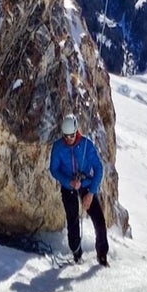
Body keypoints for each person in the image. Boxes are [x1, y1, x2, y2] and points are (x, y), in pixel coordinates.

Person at [48, 113, 108, 266]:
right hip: (69, 187)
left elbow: (98, 168)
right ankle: (76, 254)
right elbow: (54, 169)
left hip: (86, 185)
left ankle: (102, 256)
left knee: (99, 220)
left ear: (77, 131)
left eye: (72, 135)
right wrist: (68, 182)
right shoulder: (58, 147)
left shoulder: (87, 145)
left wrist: (91, 192)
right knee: (72, 219)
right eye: (66, 136)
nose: (69, 139)